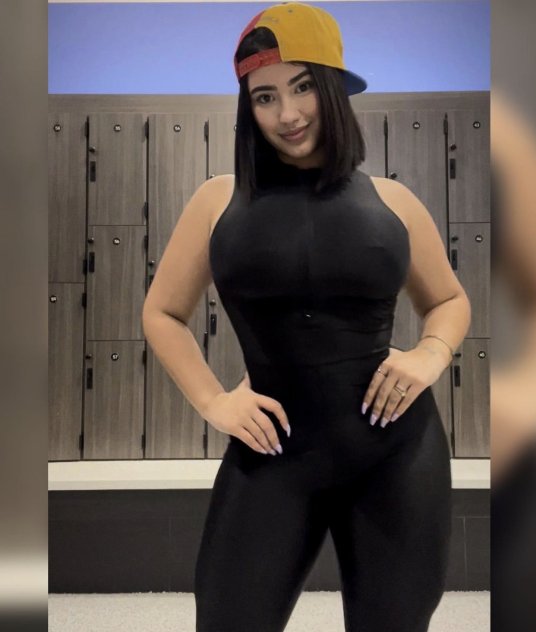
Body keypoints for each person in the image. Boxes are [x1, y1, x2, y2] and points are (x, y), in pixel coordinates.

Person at [142, 3, 472, 631]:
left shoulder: (395, 201)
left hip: (395, 453)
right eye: (264, 96)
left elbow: (449, 301)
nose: (287, 114)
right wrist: (214, 401)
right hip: (272, 452)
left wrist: (429, 355)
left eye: (301, 88)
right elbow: (162, 312)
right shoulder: (217, 200)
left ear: (332, 88)